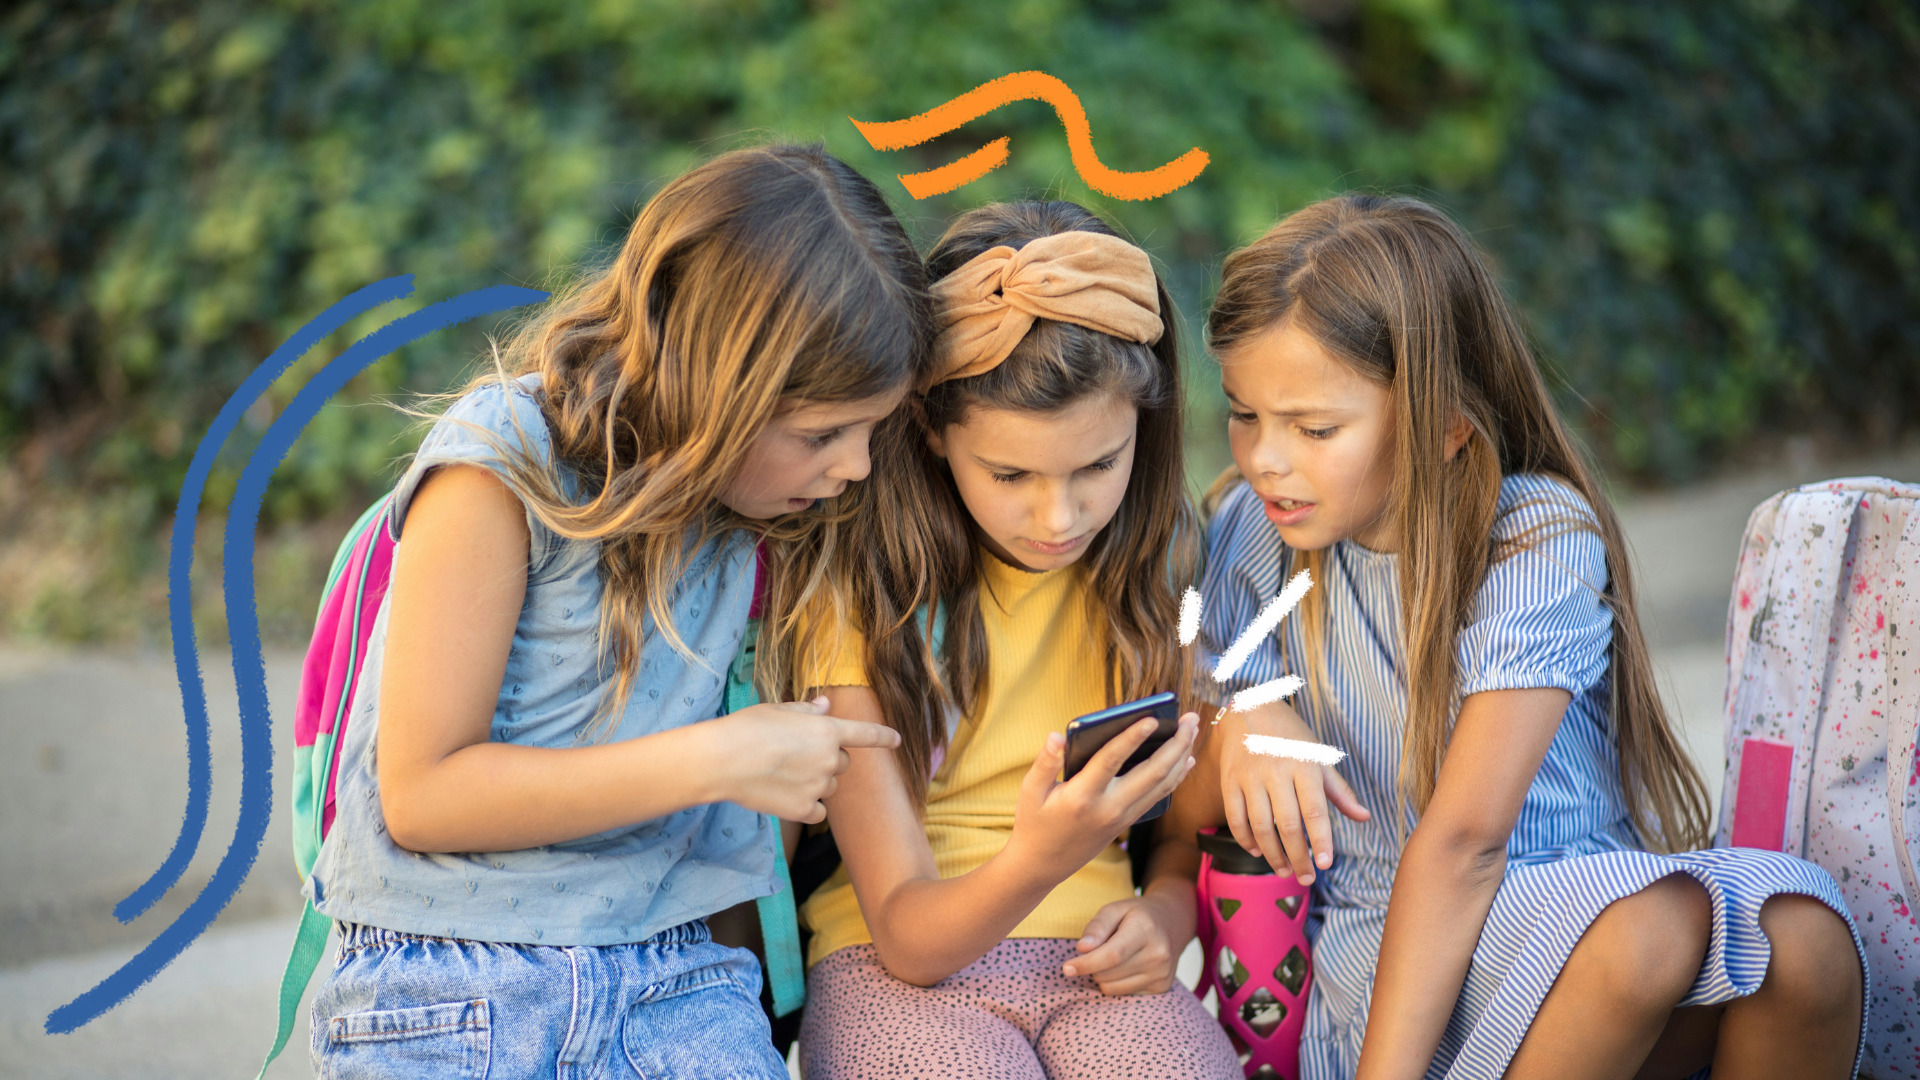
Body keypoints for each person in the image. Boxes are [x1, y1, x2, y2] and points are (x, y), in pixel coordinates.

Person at [1178, 192, 1868, 1080]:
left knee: (1803, 942)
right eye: (1244, 414)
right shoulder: (1251, 530)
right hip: (1392, 959)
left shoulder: (1535, 536)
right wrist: (1242, 712)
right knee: (1652, 931)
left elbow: (1467, 843)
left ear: (1446, 423)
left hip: (1555, 909)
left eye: (1313, 428)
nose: (1265, 457)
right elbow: (1183, 648)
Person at [303, 143, 930, 1079]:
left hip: (677, 981)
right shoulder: (502, 466)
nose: (856, 468)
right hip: (447, 977)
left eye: (871, 431)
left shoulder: (758, 509)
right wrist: (721, 759)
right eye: (822, 434)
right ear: (719, 386)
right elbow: (424, 796)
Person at [779, 200, 1241, 1079]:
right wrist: (1042, 855)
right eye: (1010, 474)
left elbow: (1182, 836)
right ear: (931, 432)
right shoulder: (862, 593)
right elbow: (911, 939)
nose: (1059, 517)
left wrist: (1167, 917)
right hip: (897, 969)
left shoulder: (1161, 575)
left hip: (1100, 969)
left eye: (1099, 466)